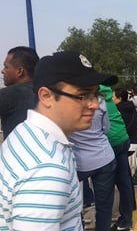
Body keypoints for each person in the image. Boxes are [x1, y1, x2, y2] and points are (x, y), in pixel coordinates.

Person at [0, 51, 117, 230]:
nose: (94, 104)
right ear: (46, 96)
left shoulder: (25, 132)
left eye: (95, 95)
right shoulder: (48, 168)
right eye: (82, 95)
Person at [69, 93, 117, 231]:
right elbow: (106, 128)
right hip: (103, 156)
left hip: (78, 162)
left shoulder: (68, 103)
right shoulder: (100, 102)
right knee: (104, 205)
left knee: (73, 204)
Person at [100, 85, 135, 231]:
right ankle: (126, 220)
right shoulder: (108, 97)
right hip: (122, 140)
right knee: (124, 181)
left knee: (105, 187)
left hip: (111, 144)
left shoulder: (94, 100)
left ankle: (104, 225)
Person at [0, 46, 39, 138]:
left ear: (20, 71)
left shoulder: (10, 94)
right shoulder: (48, 92)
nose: (2, 71)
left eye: (6, 67)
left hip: (16, 151)